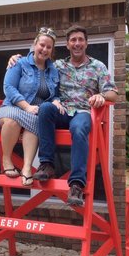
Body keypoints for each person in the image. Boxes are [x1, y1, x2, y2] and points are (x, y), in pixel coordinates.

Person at [9, 25, 118, 205]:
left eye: (80, 40)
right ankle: (47, 164)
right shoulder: (57, 66)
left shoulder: (98, 66)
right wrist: (16, 59)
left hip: (83, 112)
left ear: (86, 43)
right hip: (61, 110)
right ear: (67, 44)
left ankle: (76, 184)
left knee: (79, 128)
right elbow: (36, 61)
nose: (77, 44)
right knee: (45, 108)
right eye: (73, 40)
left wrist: (101, 95)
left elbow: (113, 93)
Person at [0, 27, 59, 186]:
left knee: (35, 124)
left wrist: (56, 101)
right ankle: (7, 160)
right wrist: (26, 106)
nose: (44, 49)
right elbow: (8, 87)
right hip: (13, 107)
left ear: (52, 51)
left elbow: (55, 94)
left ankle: (26, 167)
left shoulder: (53, 71)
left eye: (48, 47)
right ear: (34, 44)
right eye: (42, 45)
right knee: (12, 121)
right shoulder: (19, 63)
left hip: (36, 114)